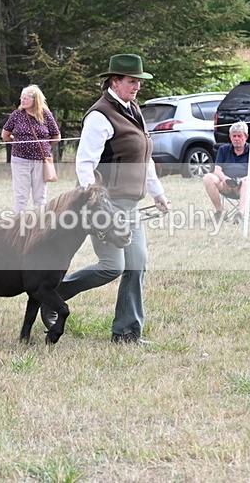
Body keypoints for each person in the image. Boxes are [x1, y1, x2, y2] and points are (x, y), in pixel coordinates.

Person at [43, 53, 170, 345]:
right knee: (112, 266)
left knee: (137, 263)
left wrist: (157, 192)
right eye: (131, 81)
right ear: (115, 81)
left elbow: (144, 157)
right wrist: (97, 203)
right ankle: (52, 295)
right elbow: (84, 164)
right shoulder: (100, 115)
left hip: (130, 204)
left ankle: (126, 332)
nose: (137, 86)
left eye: (139, 81)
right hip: (105, 204)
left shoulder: (132, 108)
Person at [1, 84, 61, 213]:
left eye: (25, 98)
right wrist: (18, 144)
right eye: (21, 98)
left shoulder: (46, 115)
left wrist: (44, 146)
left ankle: (39, 225)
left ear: (35, 100)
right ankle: (19, 225)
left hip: (40, 160)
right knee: (21, 196)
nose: (22, 100)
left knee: (40, 196)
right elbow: (5, 135)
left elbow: (56, 137)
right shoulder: (17, 115)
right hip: (20, 160)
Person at [202, 121, 250, 223]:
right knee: (207, 177)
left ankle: (240, 214)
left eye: (239, 136)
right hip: (227, 184)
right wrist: (225, 179)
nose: (236, 139)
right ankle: (220, 213)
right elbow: (217, 170)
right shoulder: (223, 149)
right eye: (234, 136)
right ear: (230, 137)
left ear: (246, 137)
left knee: (246, 183)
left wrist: (243, 179)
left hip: (245, 185)